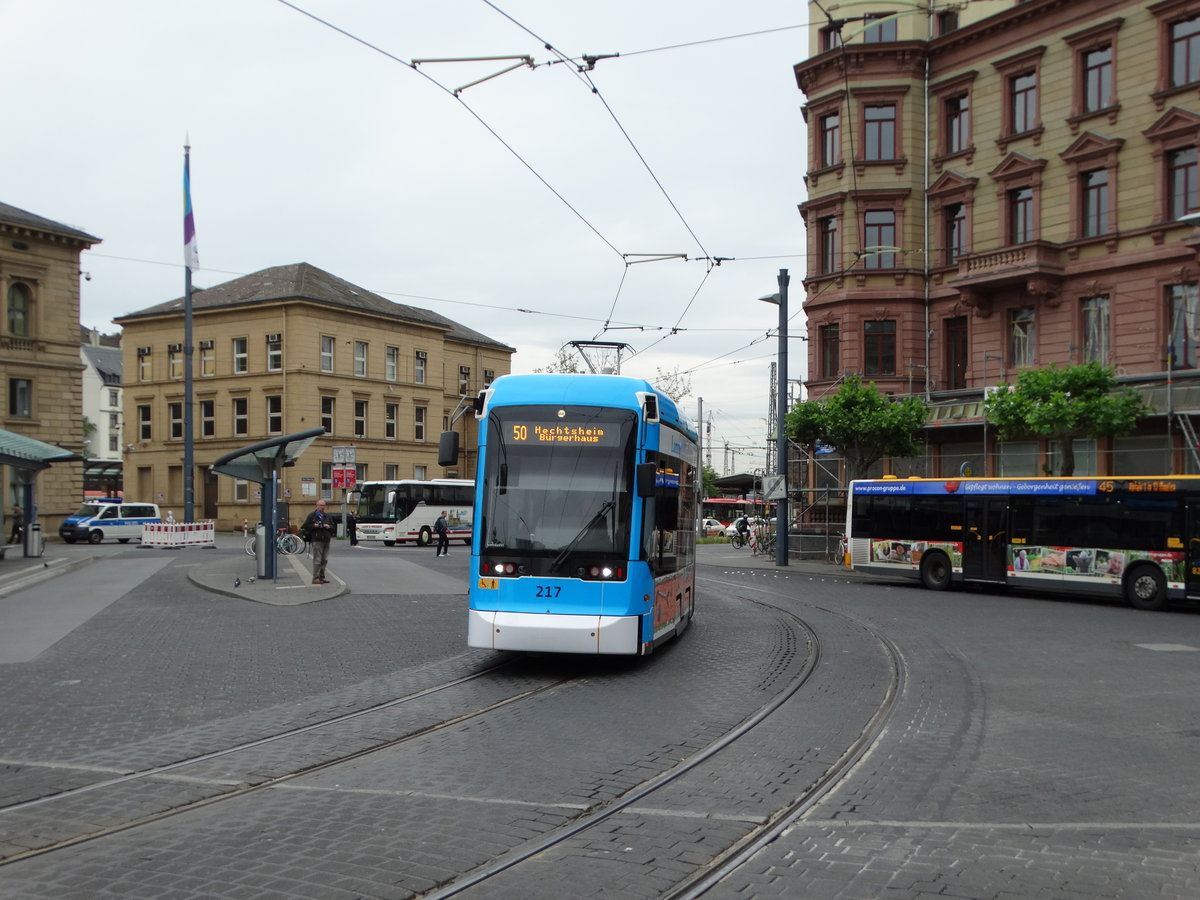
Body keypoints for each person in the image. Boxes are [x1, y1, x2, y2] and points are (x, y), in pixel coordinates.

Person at [302, 499, 334, 584]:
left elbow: (333, 527)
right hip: (317, 539)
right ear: (317, 506)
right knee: (317, 559)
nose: (322, 507)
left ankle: (321, 577)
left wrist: (329, 526)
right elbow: (305, 526)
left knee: (324, 560)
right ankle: (315, 578)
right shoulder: (312, 515)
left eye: (323, 505)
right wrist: (314, 525)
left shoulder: (327, 516)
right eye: (320, 505)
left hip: (326, 540)